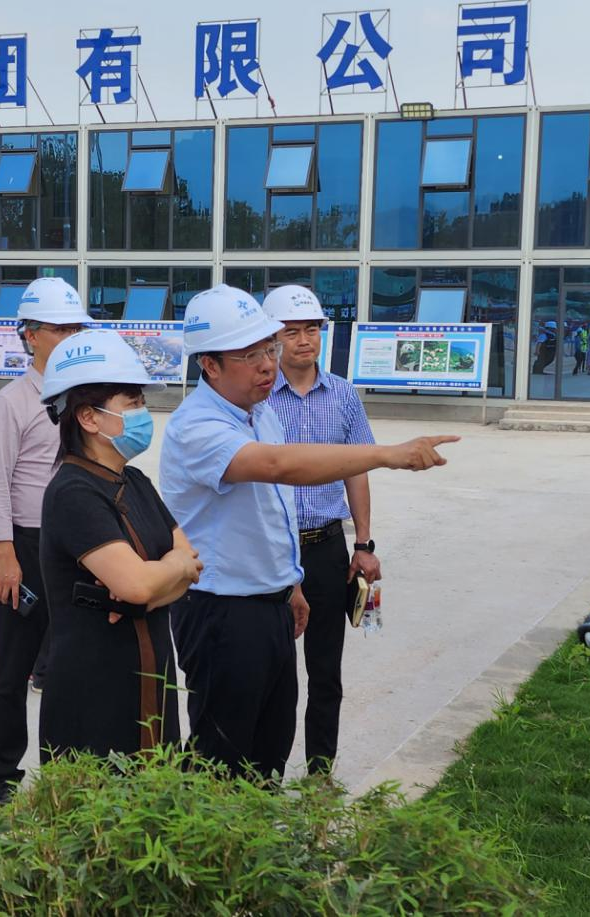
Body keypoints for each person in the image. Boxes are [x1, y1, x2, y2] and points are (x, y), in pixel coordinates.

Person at [159, 284, 459, 784]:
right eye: (250, 355)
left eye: (268, 350)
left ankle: (270, 824)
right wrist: (387, 454)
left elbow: (272, 514)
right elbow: (278, 467)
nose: (267, 365)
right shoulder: (198, 426)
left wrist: (290, 582)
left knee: (269, 748)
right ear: (209, 365)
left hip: (271, 600)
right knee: (222, 756)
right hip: (221, 610)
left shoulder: (261, 414)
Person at [37, 329, 203, 760]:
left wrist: (157, 580)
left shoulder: (135, 481)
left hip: (150, 679)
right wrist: (165, 573)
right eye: (132, 403)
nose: (143, 413)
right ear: (88, 418)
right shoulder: (73, 492)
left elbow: (190, 561)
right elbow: (138, 584)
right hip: (96, 691)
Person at [262, 285, 380, 777]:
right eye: (292, 332)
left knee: (325, 671)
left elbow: (358, 468)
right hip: (272, 551)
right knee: (272, 672)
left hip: (327, 547)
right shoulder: (258, 400)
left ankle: (319, 772)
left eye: (311, 329)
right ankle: (264, 775)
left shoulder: (344, 394)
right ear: (272, 339)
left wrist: (364, 544)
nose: (304, 340)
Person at [0, 276, 89, 804]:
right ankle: (4, 774)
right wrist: (5, 554)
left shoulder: (84, 399)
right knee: (14, 663)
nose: (68, 338)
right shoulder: (11, 403)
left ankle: (65, 769)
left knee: (71, 664)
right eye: (58, 329)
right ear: (30, 335)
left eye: (75, 329)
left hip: (78, 544)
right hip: (24, 544)